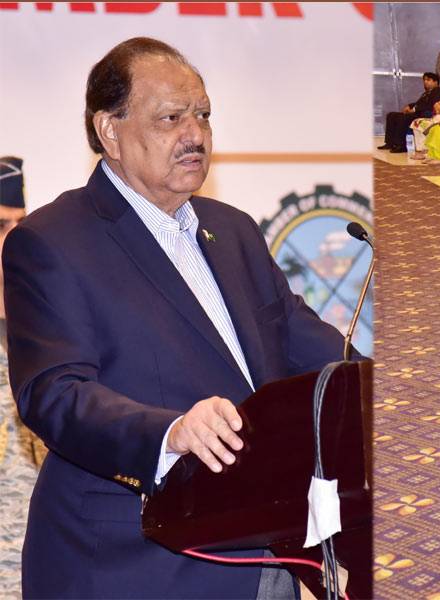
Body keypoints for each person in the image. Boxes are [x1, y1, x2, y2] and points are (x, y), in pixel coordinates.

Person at [4, 37, 360, 599]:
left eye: (203, 115)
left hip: (269, 547)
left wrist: (385, 392)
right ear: (110, 130)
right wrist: (170, 433)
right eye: (171, 117)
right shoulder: (51, 240)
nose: (195, 134)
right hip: (134, 561)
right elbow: (54, 393)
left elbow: (308, 346)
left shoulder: (234, 229)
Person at [0, 157, 44, 599]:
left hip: (52, 571)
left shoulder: (53, 330)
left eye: (20, 223)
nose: (12, 238)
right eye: (0, 225)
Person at [379, 72, 440, 153]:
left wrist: (414, 110)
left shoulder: (438, 92)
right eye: (424, 80)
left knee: (403, 118)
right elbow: (419, 103)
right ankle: (389, 143)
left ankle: (401, 145)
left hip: (424, 113)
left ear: (435, 82)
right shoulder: (426, 93)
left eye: (428, 80)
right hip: (417, 112)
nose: (425, 82)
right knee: (391, 115)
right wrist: (410, 106)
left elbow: (430, 105)